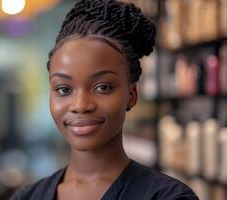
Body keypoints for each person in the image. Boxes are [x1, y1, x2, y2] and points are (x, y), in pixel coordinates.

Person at [11, 0, 199, 199]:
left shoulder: (167, 197)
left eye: (102, 87)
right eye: (64, 89)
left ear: (131, 95)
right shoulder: (27, 196)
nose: (81, 105)